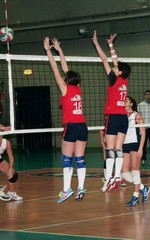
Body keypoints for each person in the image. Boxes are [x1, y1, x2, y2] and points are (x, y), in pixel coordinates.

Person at [44, 37, 88, 203]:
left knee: (66, 159)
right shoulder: (78, 88)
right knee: (80, 159)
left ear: (66, 80)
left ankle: (66, 189)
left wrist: (48, 50)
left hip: (71, 126)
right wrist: (60, 50)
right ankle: (81, 188)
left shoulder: (64, 88)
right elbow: (65, 68)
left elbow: (56, 68)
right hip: (83, 126)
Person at [92, 31, 131, 192]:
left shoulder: (113, 78)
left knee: (110, 148)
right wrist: (110, 45)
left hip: (113, 116)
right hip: (123, 118)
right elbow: (115, 61)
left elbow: (104, 59)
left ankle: (109, 178)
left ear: (119, 71)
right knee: (119, 148)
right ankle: (116, 176)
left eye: (116, 68)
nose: (114, 67)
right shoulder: (124, 79)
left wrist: (96, 43)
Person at [122, 96, 150, 207]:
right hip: (124, 145)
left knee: (135, 171)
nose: (124, 101)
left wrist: (140, 148)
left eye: (127, 100)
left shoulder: (137, 116)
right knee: (124, 173)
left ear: (131, 103)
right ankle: (144, 188)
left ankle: (135, 197)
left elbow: (143, 133)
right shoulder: (122, 116)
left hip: (135, 144)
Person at [0, 135, 23, 201]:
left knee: (13, 174)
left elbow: (11, 157)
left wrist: (10, 169)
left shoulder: (6, 143)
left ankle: (11, 193)